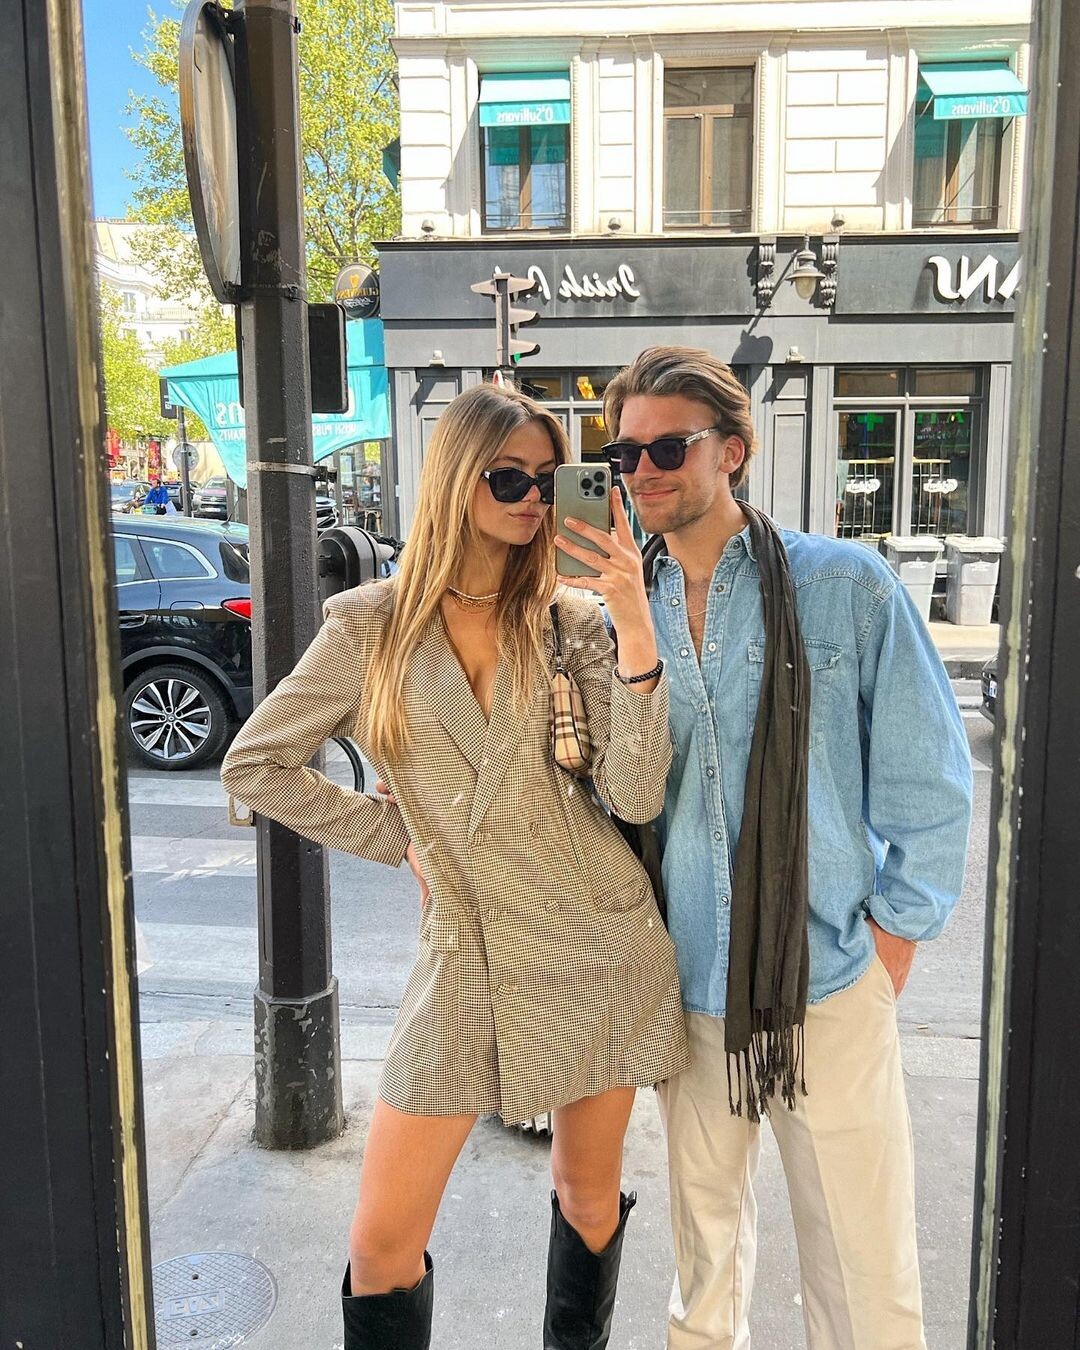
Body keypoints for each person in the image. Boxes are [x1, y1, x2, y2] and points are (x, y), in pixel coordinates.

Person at [220, 382, 689, 1350]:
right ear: (453, 481)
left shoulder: (569, 620)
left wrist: (637, 631)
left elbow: (636, 795)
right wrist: (401, 841)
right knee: (381, 1242)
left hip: (599, 940)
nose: (532, 497)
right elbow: (256, 765)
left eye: (547, 479)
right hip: (466, 951)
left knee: (587, 1194)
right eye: (508, 477)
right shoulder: (371, 626)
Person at [586, 346, 973, 1350]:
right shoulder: (618, 612)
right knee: (704, 1264)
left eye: (667, 447)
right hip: (688, 986)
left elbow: (929, 783)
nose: (642, 470)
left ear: (734, 451)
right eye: (624, 454)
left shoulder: (844, 586)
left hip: (830, 979)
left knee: (862, 1264)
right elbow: (617, 797)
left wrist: (890, 946)